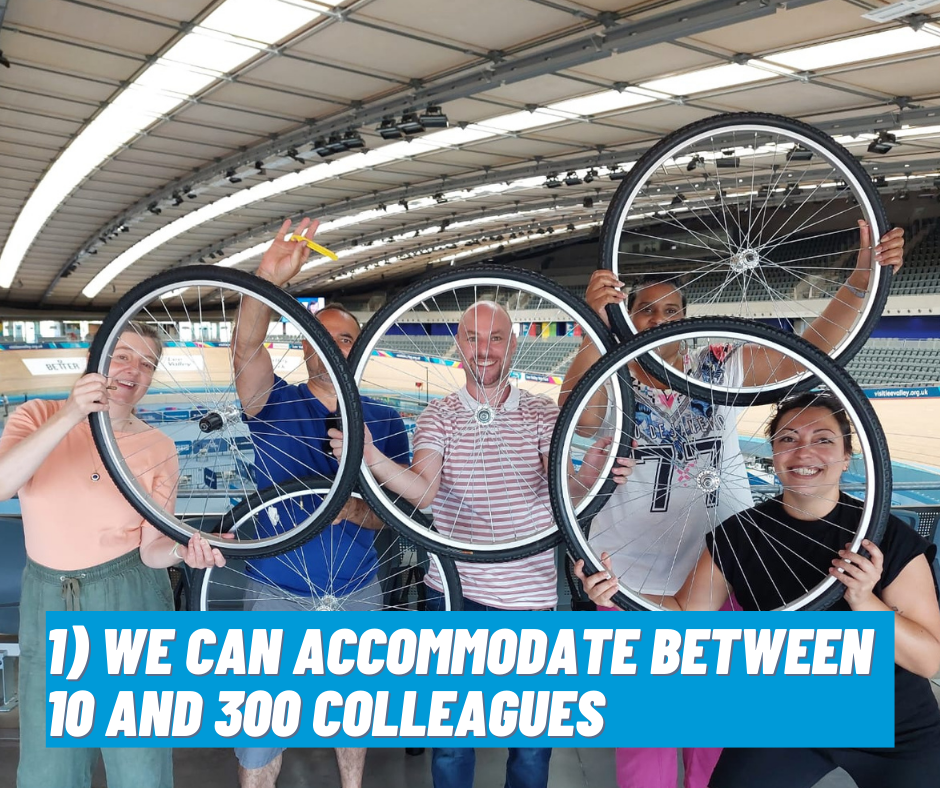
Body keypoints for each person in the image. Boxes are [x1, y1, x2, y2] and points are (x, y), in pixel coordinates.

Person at [559, 221, 905, 788]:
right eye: (646, 310)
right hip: (627, 578)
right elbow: (579, 413)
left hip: (723, 574)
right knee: (642, 746)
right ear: (628, 316)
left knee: (714, 745)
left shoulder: (715, 363)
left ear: (689, 319)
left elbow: (811, 351)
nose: (661, 321)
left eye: (672, 311)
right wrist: (592, 333)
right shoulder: (612, 373)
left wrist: (864, 274)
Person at [332, 297, 630, 788]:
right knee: (452, 741)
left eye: (496, 338)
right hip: (455, 595)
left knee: (532, 744)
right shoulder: (438, 415)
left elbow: (568, 495)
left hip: (530, 599)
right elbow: (424, 491)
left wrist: (598, 467)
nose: (485, 349)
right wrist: (370, 456)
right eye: (474, 337)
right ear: (458, 346)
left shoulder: (539, 414)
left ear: (513, 345)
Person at [577, 390, 940, 788]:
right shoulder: (739, 533)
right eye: (788, 439)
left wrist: (864, 600)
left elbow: (928, 661)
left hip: (891, 723)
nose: (804, 451)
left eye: (823, 439)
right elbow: (685, 613)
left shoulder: (885, 534)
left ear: (847, 456)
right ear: (773, 453)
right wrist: (616, 594)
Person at [0, 322, 226, 788]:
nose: (133, 371)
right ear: (96, 359)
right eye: (122, 356)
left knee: (139, 764)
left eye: (147, 363)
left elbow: (151, 550)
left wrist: (185, 551)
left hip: (131, 596)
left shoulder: (158, 446)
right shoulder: (36, 414)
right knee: (49, 768)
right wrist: (69, 414)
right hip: (49, 599)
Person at [230, 218, 410, 788]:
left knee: (351, 723)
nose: (334, 346)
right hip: (275, 592)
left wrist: (354, 509)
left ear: (360, 349)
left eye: (346, 338)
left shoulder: (383, 419)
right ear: (303, 346)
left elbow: (401, 515)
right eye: (321, 336)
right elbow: (245, 348)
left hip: (357, 590)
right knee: (260, 732)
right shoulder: (270, 403)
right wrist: (266, 280)